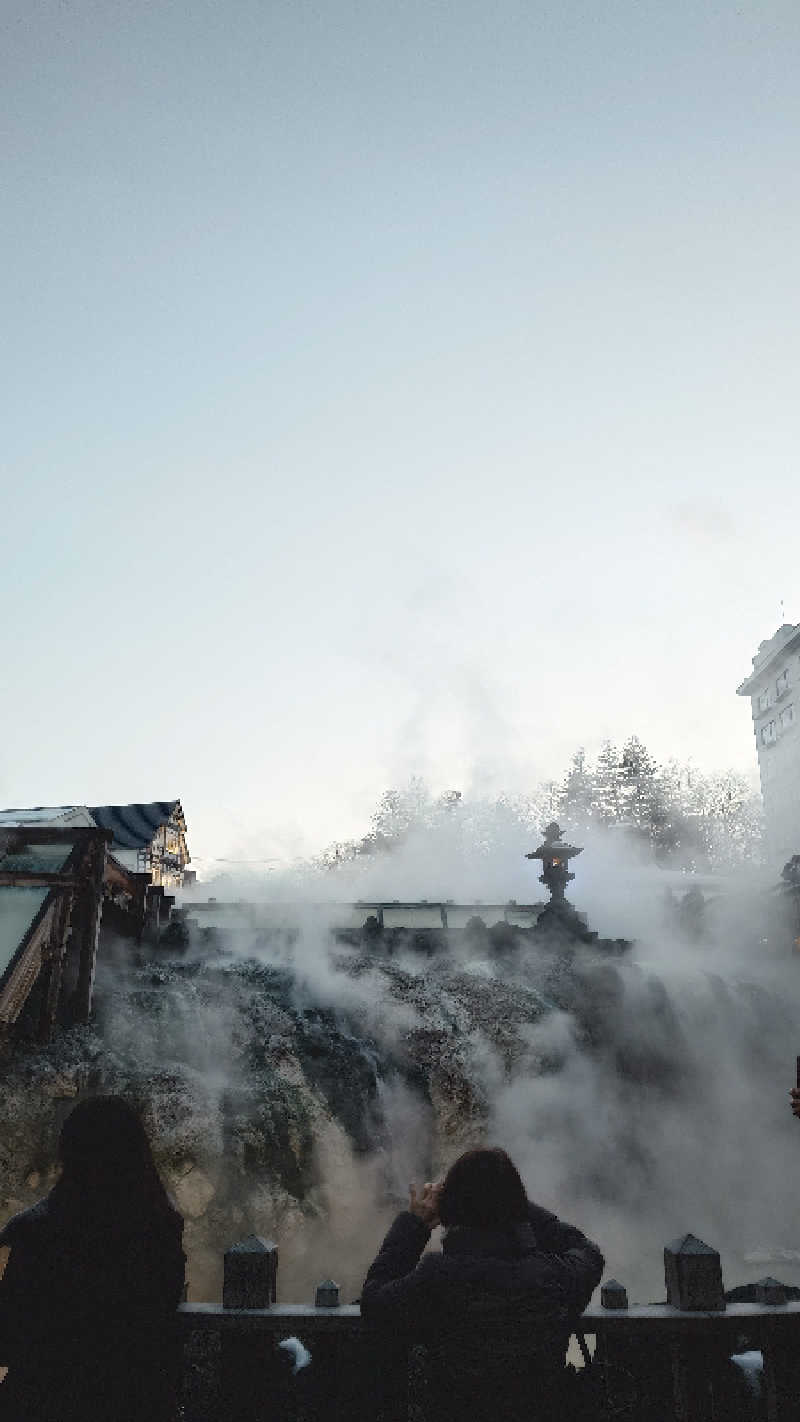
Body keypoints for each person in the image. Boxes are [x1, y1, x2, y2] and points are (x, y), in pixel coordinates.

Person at [361, 1147, 604, 1422]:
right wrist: (514, 1204)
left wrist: (414, 1225)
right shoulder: (553, 1277)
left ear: (451, 1207)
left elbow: (374, 1303)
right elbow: (586, 1250)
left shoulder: (437, 1278)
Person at [0, 1095, 186, 1422]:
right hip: (135, 1401)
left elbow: (9, 1335)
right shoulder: (159, 1229)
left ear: (70, 1152)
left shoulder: (40, 1234)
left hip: (44, 1402)